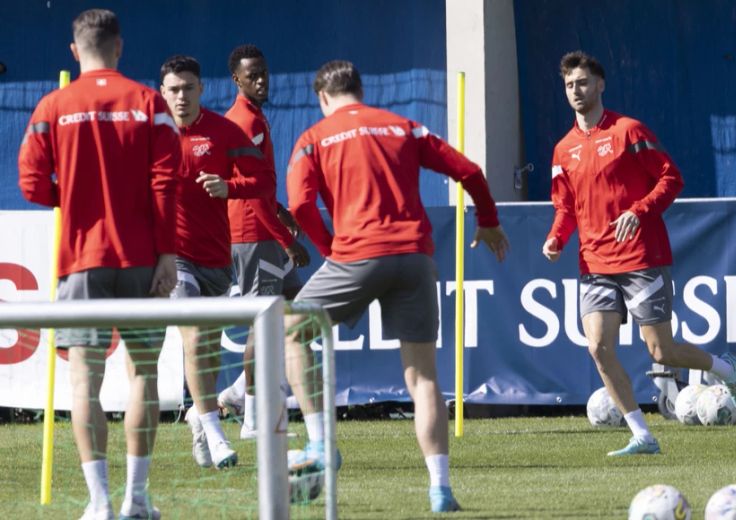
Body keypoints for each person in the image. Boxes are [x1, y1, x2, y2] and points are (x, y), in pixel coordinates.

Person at [284, 60, 509, 513]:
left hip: (356, 255)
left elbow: (297, 203)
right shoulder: (403, 126)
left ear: (322, 98)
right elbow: (468, 170)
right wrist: (487, 221)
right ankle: (440, 489)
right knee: (424, 378)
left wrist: (329, 246)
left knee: (290, 330)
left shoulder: (313, 139)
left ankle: (321, 444)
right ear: (359, 90)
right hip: (414, 257)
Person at [542, 51, 736, 456]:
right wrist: (556, 238)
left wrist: (638, 212)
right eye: (569, 85)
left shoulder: (628, 131)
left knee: (661, 350)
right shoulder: (563, 149)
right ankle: (643, 435)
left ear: (600, 84)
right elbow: (565, 208)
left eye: (583, 82)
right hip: (594, 263)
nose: (576, 91)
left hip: (640, 257)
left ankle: (727, 369)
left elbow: (671, 178)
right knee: (599, 348)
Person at [18, 9, 179, 519]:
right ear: (120, 46)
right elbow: (167, 180)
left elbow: (30, 183)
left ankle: (101, 502)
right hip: (140, 258)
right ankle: (137, 498)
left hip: (82, 261)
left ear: (74, 50)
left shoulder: (53, 105)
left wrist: (73, 191)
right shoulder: (147, 101)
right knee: (143, 377)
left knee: (84, 381)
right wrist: (168, 253)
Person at [158, 54, 276, 470]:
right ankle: (217, 433)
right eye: (173, 89)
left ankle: (199, 419)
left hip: (217, 260)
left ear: (202, 90)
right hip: (174, 260)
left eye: (188, 88)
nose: (181, 96)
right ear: (162, 92)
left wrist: (230, 186)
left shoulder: (224, 131)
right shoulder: (150, 134)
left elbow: (264, 181)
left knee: (205, 351)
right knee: (192, 339)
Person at [218, 44, 310, 440]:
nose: (261, 80)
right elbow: (249, 196)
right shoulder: (242, 121)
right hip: (253, 234)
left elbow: (256, 183)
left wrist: (282, 210)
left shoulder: (254, 117)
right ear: (236, 79)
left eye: (264, 72)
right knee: (264, 321)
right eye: (252, 74)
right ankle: (253, 415)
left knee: (292, 311)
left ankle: (238, 392)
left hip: (266, 225)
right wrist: (285, 241)